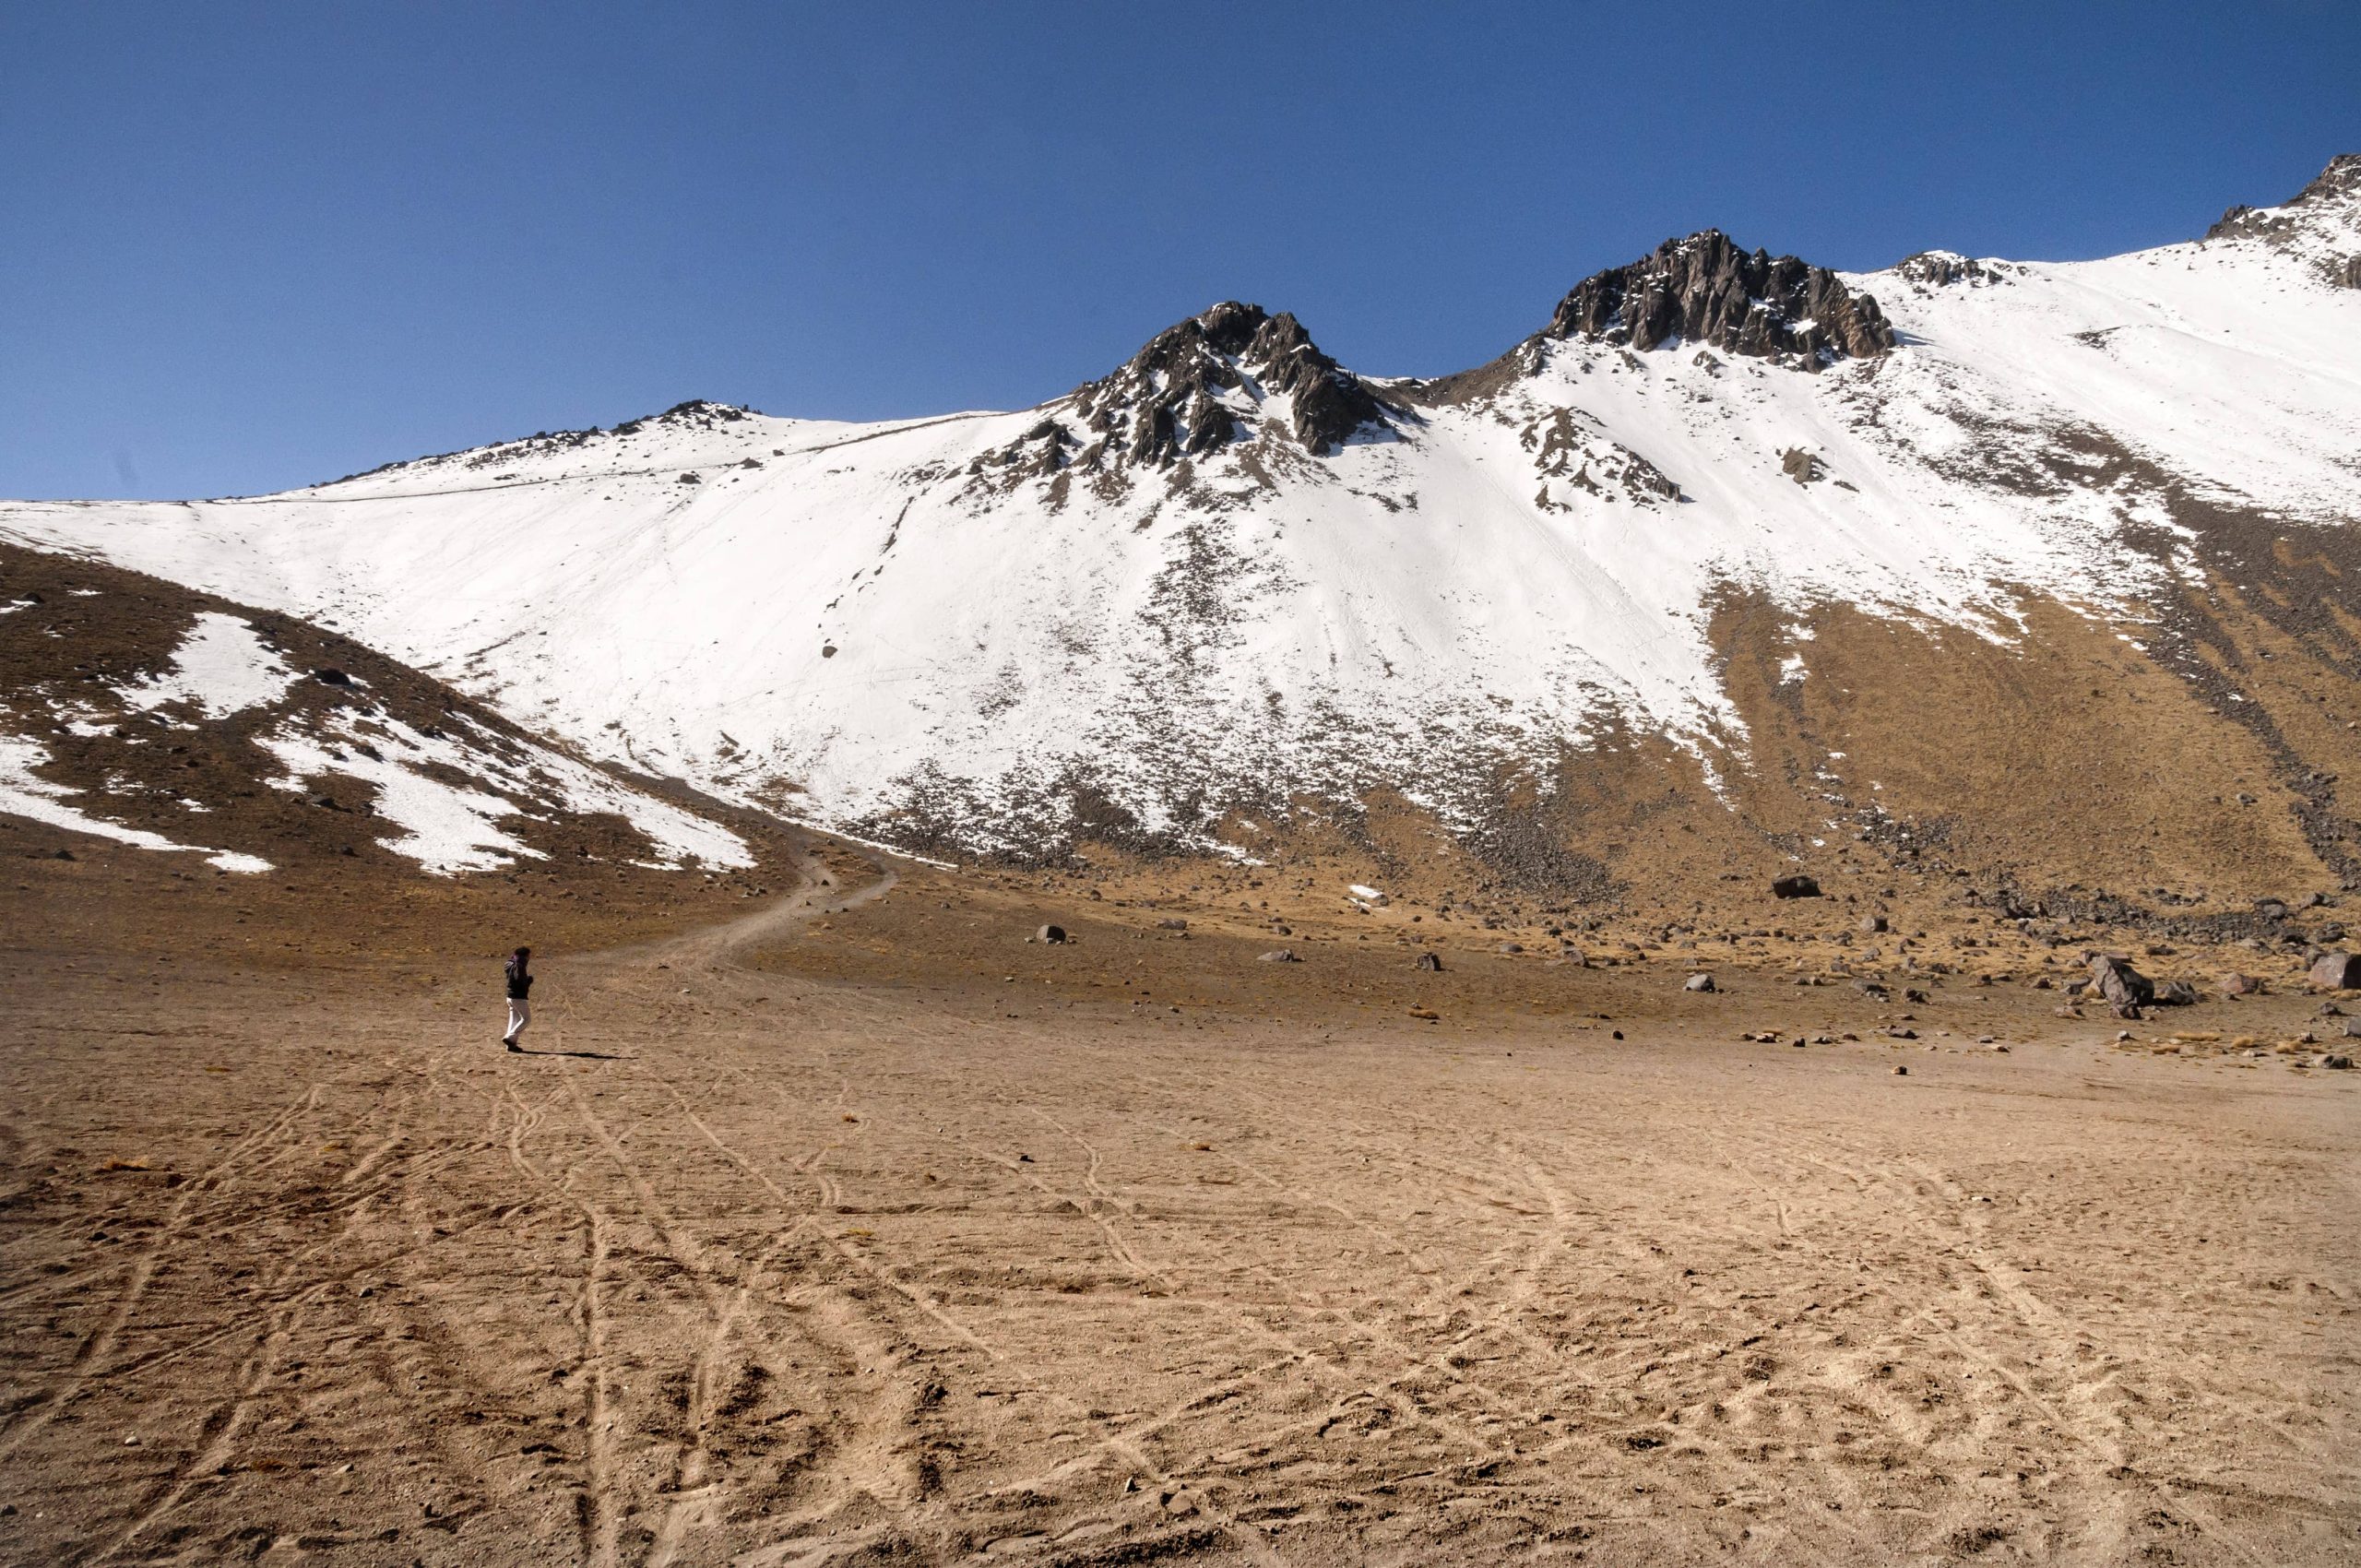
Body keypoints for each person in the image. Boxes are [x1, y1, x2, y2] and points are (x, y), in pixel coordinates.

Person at [503, 946, 533, 1051]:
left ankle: (511, 1045)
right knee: (527, 1019)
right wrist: (527, 982)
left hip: (510, 996)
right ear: (525, 956)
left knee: (514, 1020)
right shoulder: (520, 966)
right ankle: (510, 1037)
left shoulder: (509, 963)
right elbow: (519, 980)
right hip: (518, 997)